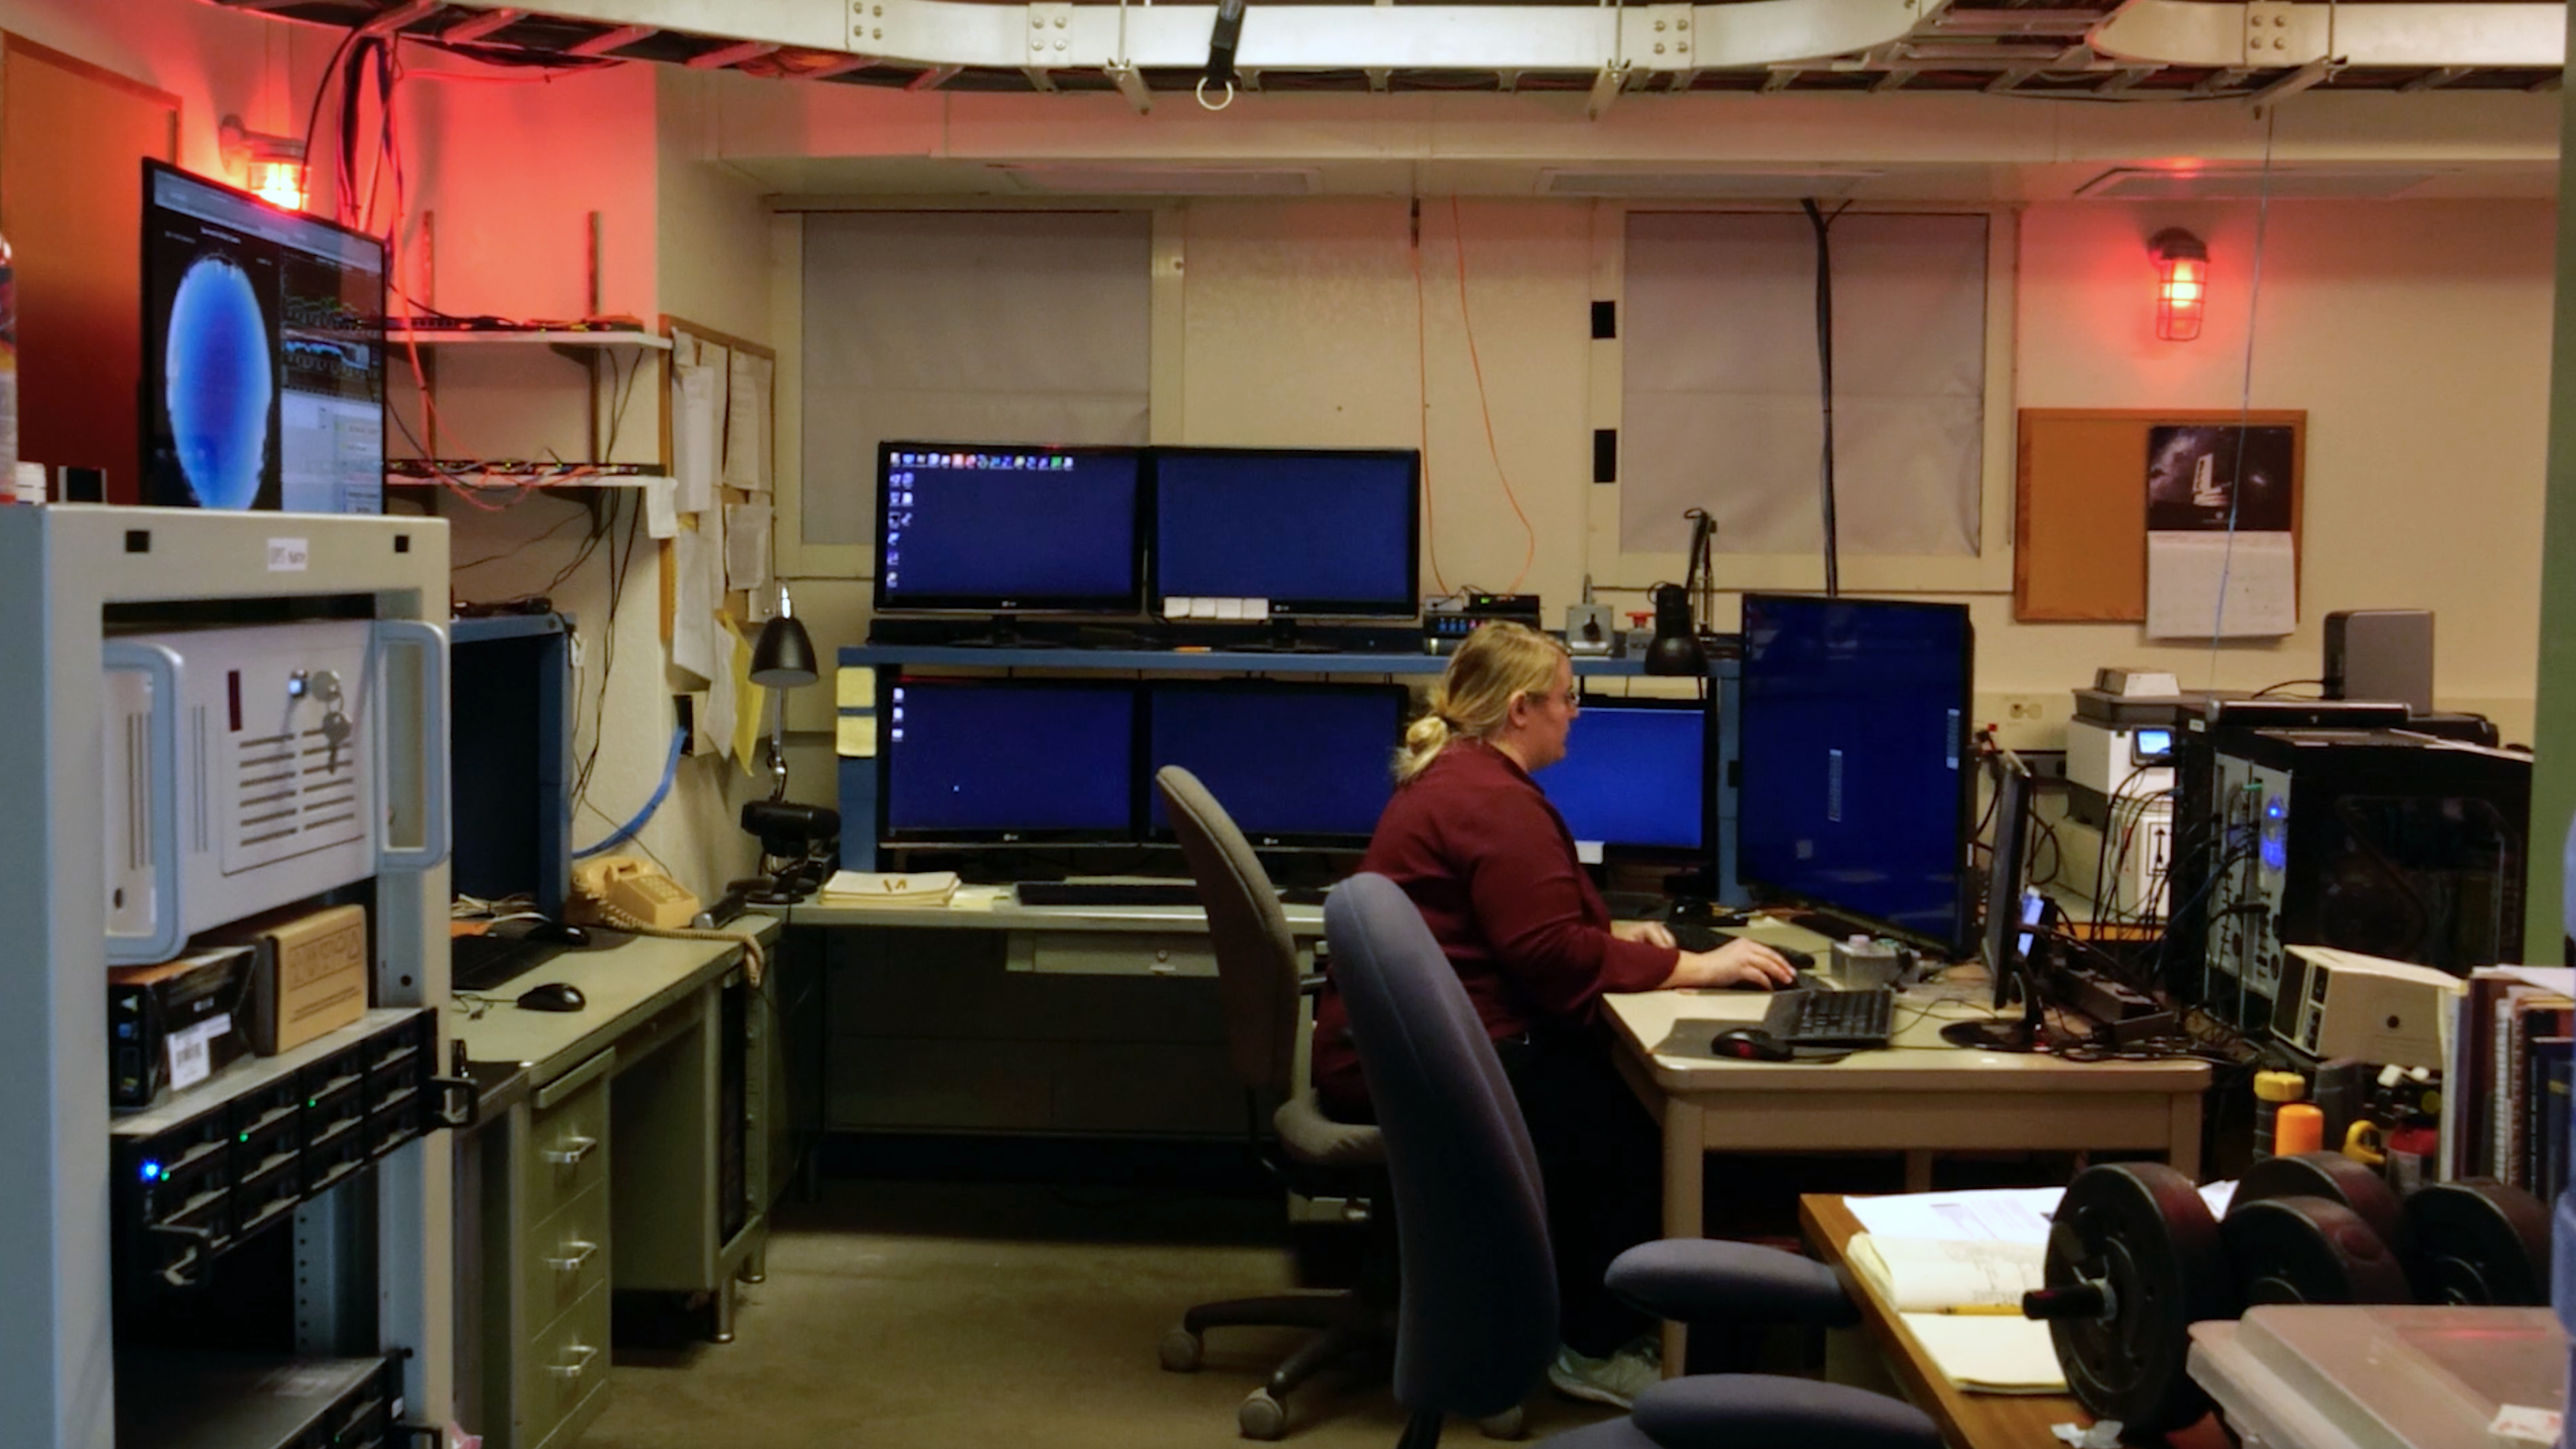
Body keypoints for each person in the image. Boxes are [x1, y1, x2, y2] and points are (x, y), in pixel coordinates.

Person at [1310, 621, 1795, 1409]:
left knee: (1606, 1094)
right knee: (1626, 1127)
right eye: (1567, 699)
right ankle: (1589, 1344)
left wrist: (1604, 934)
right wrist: (1696, 965)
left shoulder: (1457, 777)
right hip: (1443, 1060)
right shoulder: (1491, 801)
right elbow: (1551, 963)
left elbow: (1521, 930)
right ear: (1518, 708)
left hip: (1409, 1047)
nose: (1576, 714)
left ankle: (1614, 1320)